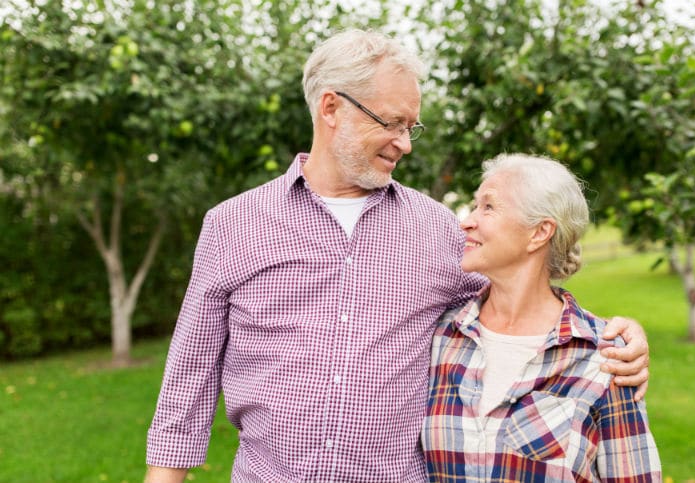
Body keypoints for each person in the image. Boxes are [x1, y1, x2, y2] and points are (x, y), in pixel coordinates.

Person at [145, 30, 651, 483]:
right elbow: (190, 374)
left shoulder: (436, 228)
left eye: (412, 126)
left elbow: (520, 298)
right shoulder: (233, 223)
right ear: (330, 108)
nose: (405, 143)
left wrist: (615, 335)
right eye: (392, 123)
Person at [422, 153, 661, 482]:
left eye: (488, 207)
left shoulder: (604, 357)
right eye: (475, 206)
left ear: (539, 232)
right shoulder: (442, 336)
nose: (467, 221)